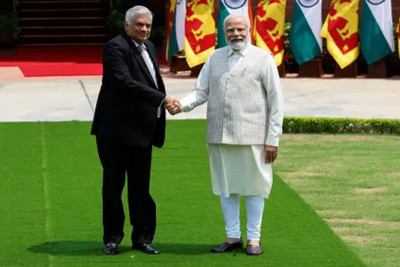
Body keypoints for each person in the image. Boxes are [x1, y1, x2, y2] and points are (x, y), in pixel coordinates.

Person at [166, 14, 284, 256]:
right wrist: (181, 105)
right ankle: (232, 236)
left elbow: (276, 102)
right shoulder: (215, 57)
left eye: (240, 29)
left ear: (249, 30)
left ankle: (253, 238)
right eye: (230, 30)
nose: (236, 34)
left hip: (253, 135)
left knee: (254, 187)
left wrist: (273, 139)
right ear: (224, 32)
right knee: (226, 187)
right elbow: (200, 92)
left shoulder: (264, 59)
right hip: (219, 134)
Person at [91, 5, 176, 255]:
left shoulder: (149, 46)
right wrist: (162, 99)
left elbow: (149, 80)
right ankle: (112, 239)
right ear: (126, 25)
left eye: (148, 25)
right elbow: (123, 82)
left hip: (142, 130)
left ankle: (143, 237)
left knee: (141, 187)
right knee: (113, 186)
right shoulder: (115, 47)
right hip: (115, 131)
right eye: (139, 24)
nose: (144, 29)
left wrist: (159, 101)